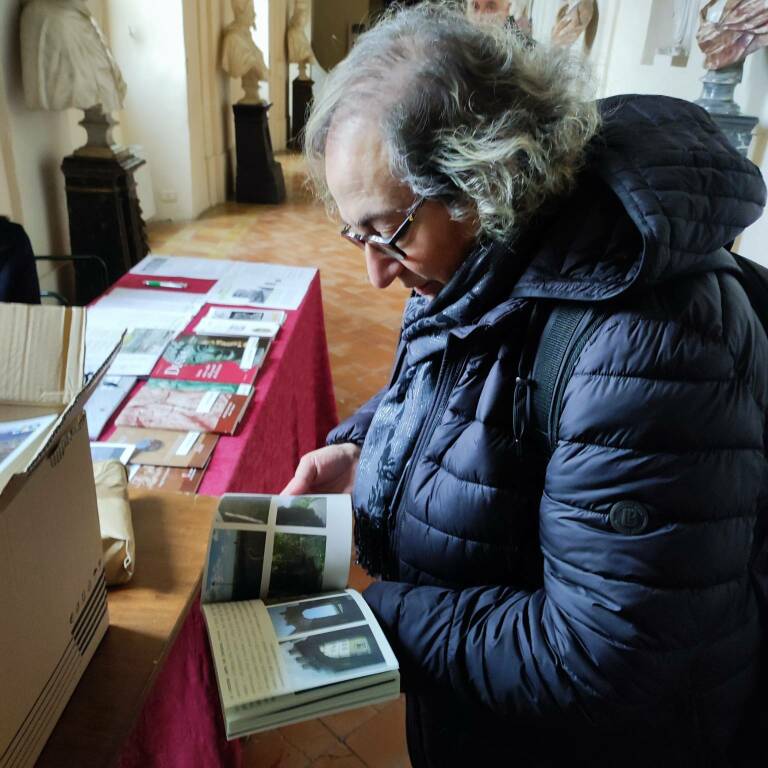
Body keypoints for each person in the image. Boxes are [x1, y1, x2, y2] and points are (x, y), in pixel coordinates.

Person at [282, 3, 768, 766]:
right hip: (487, 714)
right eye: (357, 235)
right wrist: (365, 443)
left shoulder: (647, 345)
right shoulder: (487, 259)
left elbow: (601, 651)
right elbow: (469, 376)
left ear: (482, 180)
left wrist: (376, 618)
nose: (375, 272)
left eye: (390, 231)